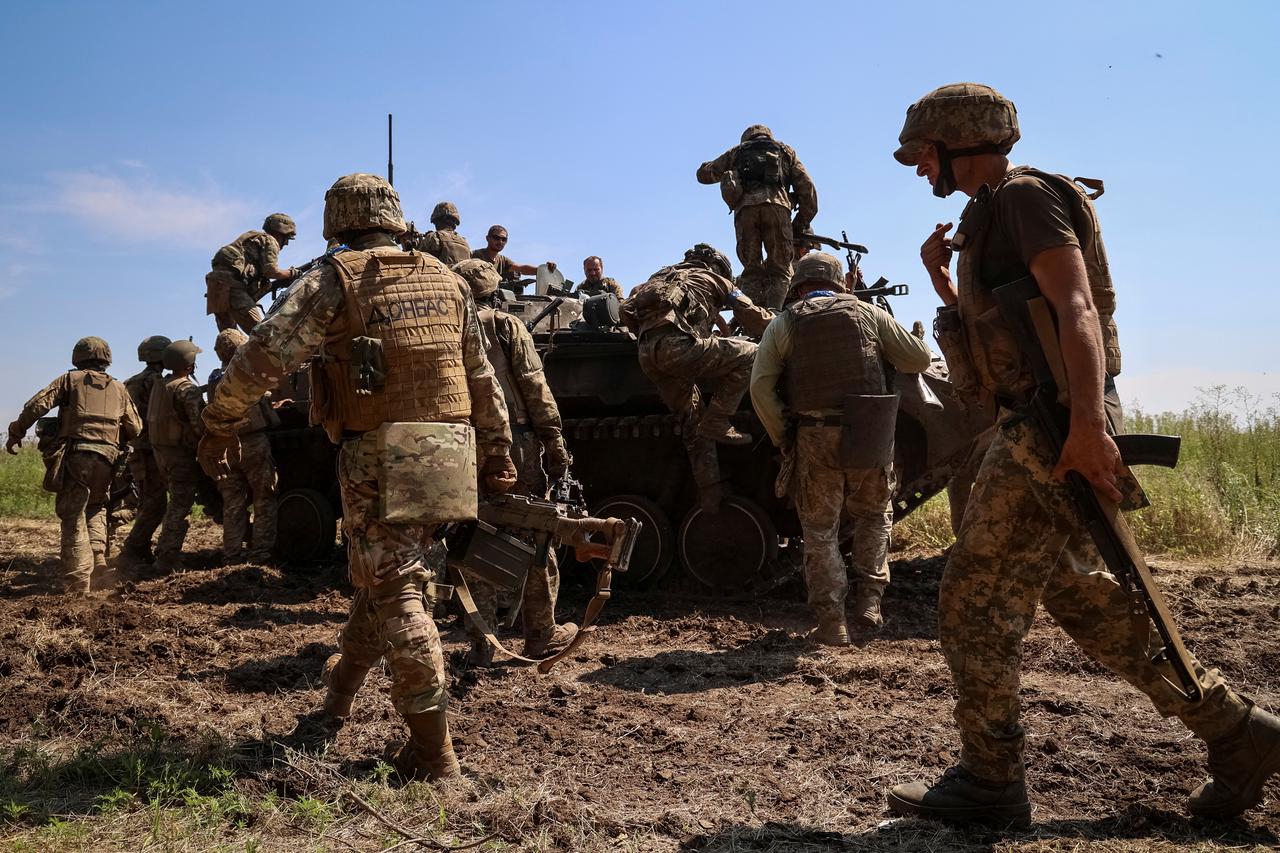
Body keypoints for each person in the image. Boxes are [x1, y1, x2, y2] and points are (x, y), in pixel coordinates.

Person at [886, 82, 1280, 822]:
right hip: (1042, 422)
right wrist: (944, 281)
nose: (918, 170)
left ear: (961, 142)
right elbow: (1001, 335)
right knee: (1086, 600)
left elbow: (1076, 306)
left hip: (1052, 426)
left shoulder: (1025, 198)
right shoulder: (988, 215)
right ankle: (1237, 732)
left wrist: (1090, 427)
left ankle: (992, 782)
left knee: (970, 601)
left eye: (924, 154)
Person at [198, 173, 514, 782]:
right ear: (394, 217)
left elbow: (267, 352)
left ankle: (434, 753)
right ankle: (334, 707)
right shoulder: (447, 281)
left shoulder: (335, 278)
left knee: (396, 588)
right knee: (385, 579)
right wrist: (497, 451)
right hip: (448, 448)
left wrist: (218, 422)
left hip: (377, 450)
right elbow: (481, 376)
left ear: (337, 220)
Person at [750, 253, 931, 644]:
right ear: (840, 283)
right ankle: (870, 601)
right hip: (869, 430)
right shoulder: (867, 313)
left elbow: (760, 387)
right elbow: (917, 358)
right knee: (874, 514)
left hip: (815, 433)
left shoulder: (785, 322)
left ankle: (833, 622)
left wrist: (785, 436)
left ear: (797, 286)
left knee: (819, 530)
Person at [453, 258, 578, 665]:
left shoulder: (448, 328)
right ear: (493, 288)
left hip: (463, 444)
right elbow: (533, 385)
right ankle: (541, 634)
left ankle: (482, 642)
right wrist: (555, 443)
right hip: (515, 444)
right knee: (535, 531)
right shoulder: (507, 325)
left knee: (477, 537)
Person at [620, 244, 772, 510]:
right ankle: (719, 419)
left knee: (692, 422)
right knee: (753, 354)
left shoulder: (658, 277)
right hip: (679, 348)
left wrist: (646, 336)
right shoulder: (716, 279)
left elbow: (624, 310)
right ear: (718, 267)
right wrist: (781, 323)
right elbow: (751, 316)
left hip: (648, 358)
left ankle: (711, 492)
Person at [6, 337, 141, 593]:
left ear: (77, 358)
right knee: (97, 505)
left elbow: (38, 405)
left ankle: (79, 580)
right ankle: (99, 559)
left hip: (77, 455)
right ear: (107, 359)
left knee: (73, 513)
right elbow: (135, 427)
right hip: (109, 458)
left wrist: (17, 430)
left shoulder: (69, 380)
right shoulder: (119, 388)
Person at [697, 125, 818, 309]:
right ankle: (774, 318)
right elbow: (807, 190)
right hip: (778, 209)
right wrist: (799, 223)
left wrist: (708, 167)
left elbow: (704, 175)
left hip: (746, 213)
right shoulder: (785, 151)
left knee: (752, 272)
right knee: (781, 271)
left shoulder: (736, 152)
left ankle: (753, 322)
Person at [207, 329, 278, 564]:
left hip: (226, 446)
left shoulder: (214, 378)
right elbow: (262, 398)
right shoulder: (248, 371)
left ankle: (232, 554)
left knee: (233, 503)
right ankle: (260, 554)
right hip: (253, 443)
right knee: (264, 498)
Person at [148, 340, 205, 572]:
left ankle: (164, 552)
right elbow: (200, 425)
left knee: (175, 504)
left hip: (161, 453)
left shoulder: (160, 385)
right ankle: (167, 557)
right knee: (180, 507)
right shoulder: (186, 389)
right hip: (181, 455)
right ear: (189, 364)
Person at [116, 335, 172, 567]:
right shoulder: (159, 382)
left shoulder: (129, 382)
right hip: (154, 450)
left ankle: (140, 549)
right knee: (155, 504)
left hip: (137, 450)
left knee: (149, 501)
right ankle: (133, 549)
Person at [206, 214, 299, 333]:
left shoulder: (252, 238)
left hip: (215, 285)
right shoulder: (270, 241)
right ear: (281, 232)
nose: (286, 243)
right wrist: (292, 273)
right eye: (287, 238)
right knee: (261, 334)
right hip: (233, 288)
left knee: (228, 335)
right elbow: (271, 271)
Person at [470, 225, 555, 292]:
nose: (500, 242)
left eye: (504, 239)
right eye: (496, 238)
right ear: (487, 238)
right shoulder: (475, 255)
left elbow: (521, 269)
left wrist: (542, 270)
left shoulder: (503, 260)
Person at [401, 201, 472, 266]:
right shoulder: (464, 242)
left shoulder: (434, 236)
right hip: (462, 279)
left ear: (437, 221)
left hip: (445, 278)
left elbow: (419, 260)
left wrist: (410, 249)